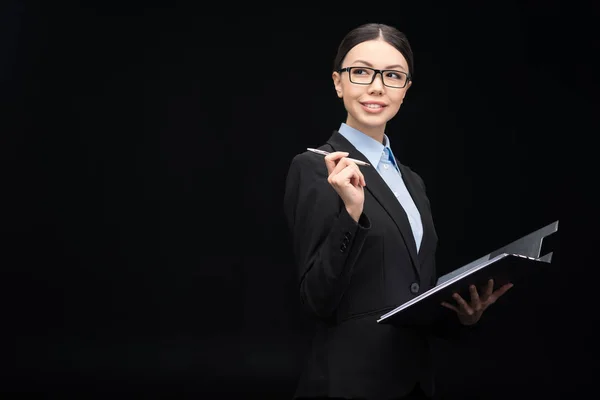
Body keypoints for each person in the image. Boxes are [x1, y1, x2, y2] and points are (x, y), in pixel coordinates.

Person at [283, 23, 513, 400]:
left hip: (415, 382)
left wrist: (462, 318)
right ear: (338, 82)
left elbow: (408, 294)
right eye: (361, 72)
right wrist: (352, 214)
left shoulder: (412, 181)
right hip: (349, 384)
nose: (376, 86)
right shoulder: (315, 168)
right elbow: (316, 299)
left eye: (392, 76)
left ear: (405, 90)